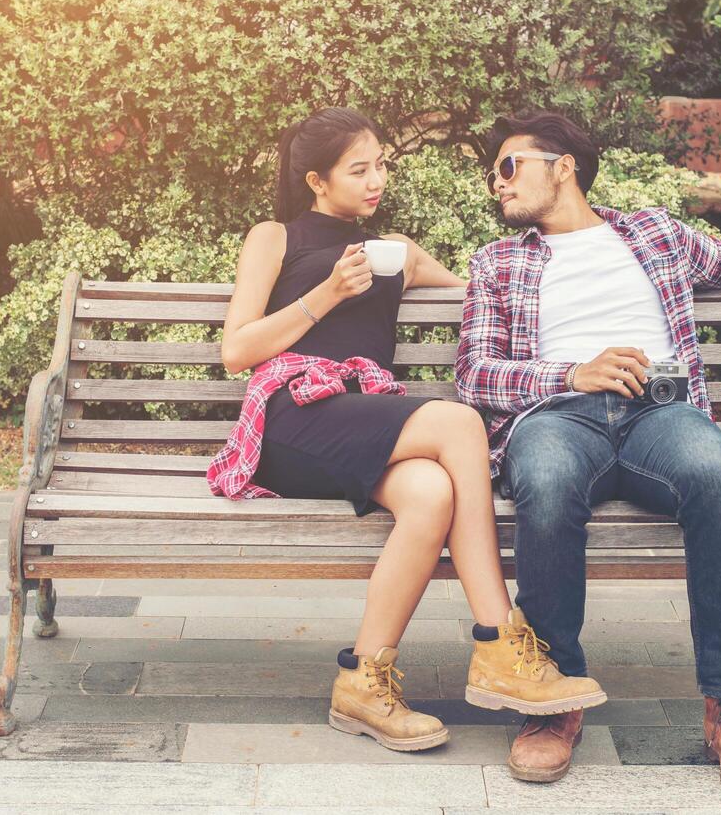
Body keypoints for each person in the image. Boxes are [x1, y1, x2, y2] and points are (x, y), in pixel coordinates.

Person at [455, 111, 721, 797]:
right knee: (540, 477)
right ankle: (554, 697)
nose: (496, 184)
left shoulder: (653, 232)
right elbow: (474, 374)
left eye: (507, 166)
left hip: (662, 410)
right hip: (557, 416)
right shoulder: (497, 261)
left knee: (715, 474)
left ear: (561, 165)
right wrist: (571, 374)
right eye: (491, 175)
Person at [209, 106, 606, 755]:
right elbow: (237, 351)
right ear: (317, 181)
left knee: (430, 496)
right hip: (290, 419)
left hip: (361, 420)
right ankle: (498, 641)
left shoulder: (396, 254)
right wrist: (327, 294)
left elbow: (485, 299)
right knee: (454, 423)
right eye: (358, 170)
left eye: (381, 166)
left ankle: (362, 681)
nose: (376, 181)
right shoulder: (275, 239)